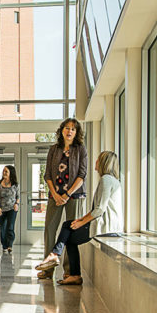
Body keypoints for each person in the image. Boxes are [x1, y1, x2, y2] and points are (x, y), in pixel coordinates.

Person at [36, 150, 123, 285]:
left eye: (98, 160)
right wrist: (81, 221)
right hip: (108, 225)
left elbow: (99, 209)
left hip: (106, 227)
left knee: (68, 230)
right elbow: (98, 209)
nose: (95, 162)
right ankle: (65, 266)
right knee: (68, 229)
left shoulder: (106, 180)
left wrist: (81, 222)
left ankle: (57, 258)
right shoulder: (112, 180)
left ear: (103, 163)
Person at [40, 118, 88, 280]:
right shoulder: (54, 150)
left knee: (71, 232)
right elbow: (47, 175)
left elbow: (82, 175)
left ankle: (68, 271)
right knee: (49, 229)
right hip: (55, 195)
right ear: (62, 130)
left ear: (77, 133)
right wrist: (55, 194)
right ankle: (48, 268)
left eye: (73, 129)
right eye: (67, 128)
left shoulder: (80, 149)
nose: (69, 131)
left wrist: (67, 195)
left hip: (74, 195)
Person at [0, 164, 20, 253]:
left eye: (6, 171)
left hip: (12, 209)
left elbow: (18, 196)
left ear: (10, 173)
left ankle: (10, 245)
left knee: (10, 227)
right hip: (1, 209)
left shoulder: (15, 185)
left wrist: (17, 204)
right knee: (3, 227)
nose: (4, 173)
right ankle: (4, 245)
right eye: (3, 171)